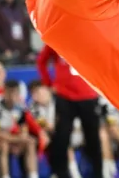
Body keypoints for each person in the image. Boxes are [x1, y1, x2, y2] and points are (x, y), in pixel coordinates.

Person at [36, 43, 104, 178]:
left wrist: (99, 84)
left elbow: (105, 59)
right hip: (64, 96)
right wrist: (48, 83)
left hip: (88, 96)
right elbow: (41, 61)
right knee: (61, 138)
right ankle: (60, 173)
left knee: (93, 139)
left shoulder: (88, 36)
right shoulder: (56, 36)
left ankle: (98, 174)